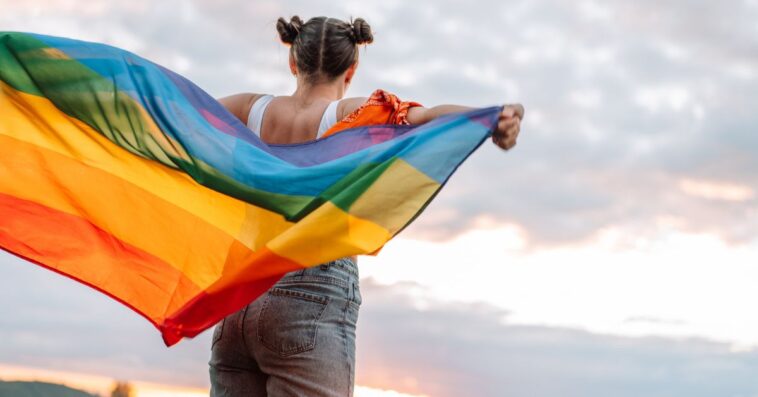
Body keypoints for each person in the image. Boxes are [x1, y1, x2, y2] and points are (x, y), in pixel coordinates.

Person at [208, 15, 524, 397]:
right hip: (309, 298)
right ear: (351, 69)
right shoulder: (350, 116)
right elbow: (424, 117)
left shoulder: (248, 108)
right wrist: (492, 118)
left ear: (293, 60)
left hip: (237, 300)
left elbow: (177, 110)